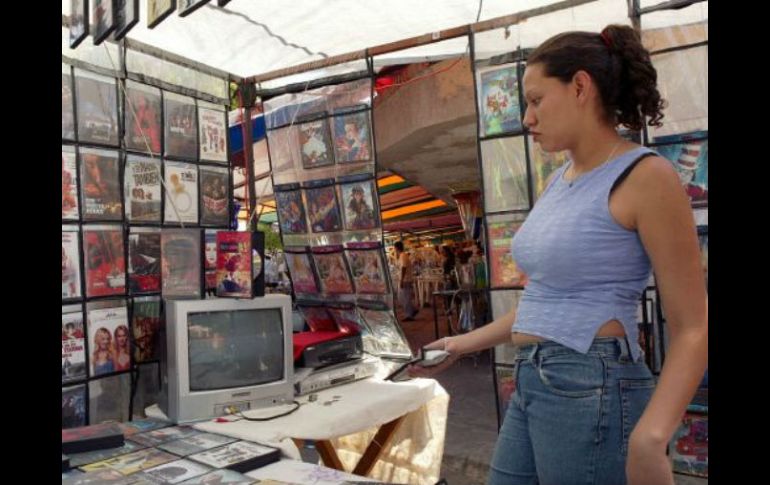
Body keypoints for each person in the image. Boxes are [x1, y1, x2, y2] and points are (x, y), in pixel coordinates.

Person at [410, 25, 707, 485]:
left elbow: (693, 325)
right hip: (534, 379)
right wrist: (460, 343)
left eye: (535, 99)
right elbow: (544, 304)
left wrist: (653, 434)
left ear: (581, 87)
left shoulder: (647, 176)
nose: (526, 117)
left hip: (593, 382)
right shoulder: (559, 180)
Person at [394, 241, 418, 321]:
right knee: (401, 297)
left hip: (405, 279)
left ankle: (409, 315)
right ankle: (413, 310)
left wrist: (401, 280)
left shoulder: (403, 255)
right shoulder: (401, 255)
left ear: (396, 248)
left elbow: (403, 267)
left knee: (405, 297)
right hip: (404, 279)